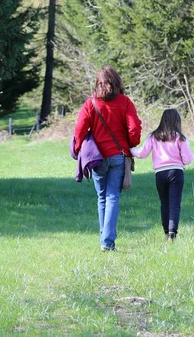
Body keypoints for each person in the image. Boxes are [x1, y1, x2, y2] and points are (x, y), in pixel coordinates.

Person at [74, 66, 142, 251]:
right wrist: (131, 144)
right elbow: (134, 128)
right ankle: (107, 241)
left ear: (98, 84)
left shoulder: (91, 103)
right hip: (118, 156)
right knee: (112, 197)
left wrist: (79, 148)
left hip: (97, 158)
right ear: (116, 82)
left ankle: (105, 240)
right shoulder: (125, 102)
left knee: (102, 198)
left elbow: (80, 129)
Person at [130, 109, 194, 242]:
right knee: (175, 204)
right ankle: (172, 233)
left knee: (164, 203)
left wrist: (130, 150)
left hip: (160, 173)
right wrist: (180, 160)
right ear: (177, 121)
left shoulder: (154, 136)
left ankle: (166, 231)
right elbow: (188, 159)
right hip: (176, 172)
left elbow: (143, 153)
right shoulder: (180, 137)